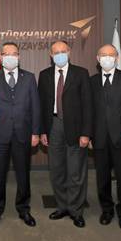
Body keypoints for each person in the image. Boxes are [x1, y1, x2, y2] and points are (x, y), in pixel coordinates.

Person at [0, 42, 41, 229]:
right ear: (0, 57)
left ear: (19, 56)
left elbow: (36, 107)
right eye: (6, 54)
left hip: (23, 134)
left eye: (14, 54)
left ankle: (23, 209)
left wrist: (35, 132)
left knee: (23, 174)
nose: (10, 57)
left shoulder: (29, 78)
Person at [38, 40, 93, 228]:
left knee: (76, 172)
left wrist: (86, 133)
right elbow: (41, 106)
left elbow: (88, 105)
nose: (60, 54)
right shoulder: (44, 75)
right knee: (57, 170)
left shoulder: (81, 73)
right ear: (51, 55)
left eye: (63, 51)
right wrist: (42, 131)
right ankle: (62, 206)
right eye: (56, 52)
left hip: (76, 129)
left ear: (69, 52)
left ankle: (76, 210)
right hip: (53, 126)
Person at [89, 44, 121, 230]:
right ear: (97, 58)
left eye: (111, 55)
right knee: (102, 177)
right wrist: (89, 136)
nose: (107, 58)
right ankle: (107, 210)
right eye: (103, 55)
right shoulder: (92, 81)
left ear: (117, 58)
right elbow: (89, 111)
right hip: (99, 137)